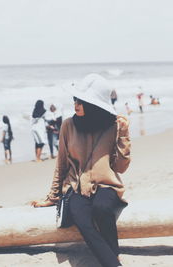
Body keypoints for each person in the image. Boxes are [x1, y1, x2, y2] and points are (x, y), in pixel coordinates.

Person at [32, 74, 131, 267]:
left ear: (94, 104)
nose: (76, 103)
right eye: (75, 99)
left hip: (106, 185)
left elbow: (121, 167)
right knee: (81, 217)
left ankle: (113, 256)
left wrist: (124, 135)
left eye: (82, 100)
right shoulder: (68, 125)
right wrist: (52, 197)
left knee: (102, 208)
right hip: (76, 187)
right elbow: (61, 164)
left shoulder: (113, 126)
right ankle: (114, 263)